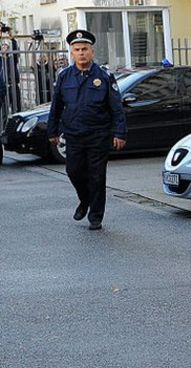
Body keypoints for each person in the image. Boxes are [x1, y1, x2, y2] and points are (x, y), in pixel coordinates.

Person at [47, 29, 126, 231]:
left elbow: (116, 107)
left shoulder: (104, 76)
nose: (81, 53)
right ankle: (85, 200)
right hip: (73, 134)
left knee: (97, 176)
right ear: (72, 53)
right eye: (77, 50)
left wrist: (120, 132)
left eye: (84, 49)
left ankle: (95, 216)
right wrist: (52, 131)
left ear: (92, 51)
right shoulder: (64, 76)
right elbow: (56, 106)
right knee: (73, 171)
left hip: (98, 134)